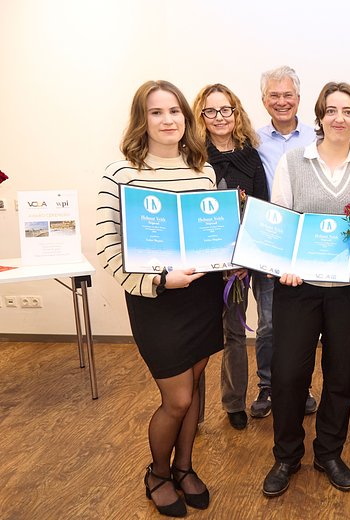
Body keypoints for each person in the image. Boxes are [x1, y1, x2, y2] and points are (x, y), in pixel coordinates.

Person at [96, 80, 221, 517]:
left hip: (202, 298)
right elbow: (108, 247)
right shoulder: (122, 173)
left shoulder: (202, 170)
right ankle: (157, 474)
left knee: (194, 388)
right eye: (156, 112)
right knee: (178, 399)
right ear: (141, 120)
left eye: (175, 112)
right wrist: (160, 282)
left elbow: (212, 235)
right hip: (157, 300)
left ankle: (185, 469)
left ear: (186, 118)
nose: (168, 120)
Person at [262, 82, 350, 497]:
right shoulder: (293, 162)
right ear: (320, 116)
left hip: (348, 290)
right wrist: (285, 266)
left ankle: (329, 452)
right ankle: (286, 456)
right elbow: (279, 223)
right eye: (331, 110)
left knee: (341, 375)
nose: (339, 118)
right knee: (288, 375)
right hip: (298, 288)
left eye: (347, 111)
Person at [192, 83, 269, 431]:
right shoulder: (193, 156)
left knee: (236, 331)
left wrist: (241, 261)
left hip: (243, 263)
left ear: (235, 113)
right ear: (201, 116)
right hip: (205, 265)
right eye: (211, 111)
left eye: (226, 110)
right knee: (201, 337)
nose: (219, 117)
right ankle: (193, 411)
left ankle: (234, 401)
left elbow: (262, 208)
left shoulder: (251, 156)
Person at [252, 66, 318, 419]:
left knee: (301, 322)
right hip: (271, 241)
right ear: (264, 100)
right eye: (274, 96)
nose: (282, 101)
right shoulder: (253, 140)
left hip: (309, 243)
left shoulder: (317, 136)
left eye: (287, 95)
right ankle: (267, 384)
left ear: (298, 98)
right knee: (267, 321)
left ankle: (301, 385)